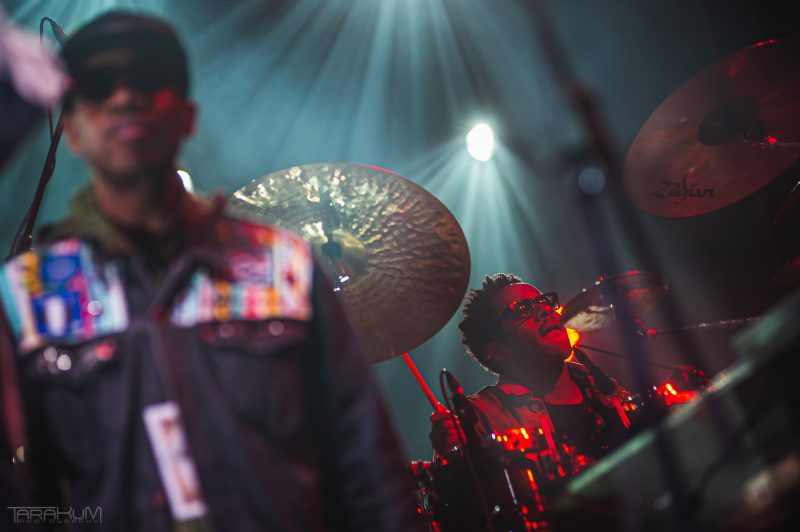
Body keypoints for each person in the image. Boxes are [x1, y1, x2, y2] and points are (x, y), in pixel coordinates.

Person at [0, 11, 417, 531]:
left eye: (148, 79)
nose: (124, 97)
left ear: (188, 116)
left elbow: (370, 471)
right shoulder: (29, 296)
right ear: (75, 131)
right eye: (100, 85)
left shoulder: (283, 267)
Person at [430, 273, 634, 461]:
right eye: (523, 308)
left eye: (544, 301)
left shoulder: (602, 388)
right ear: (496, 350)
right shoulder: (477, 418)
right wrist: (452, 453)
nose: (544, 311)